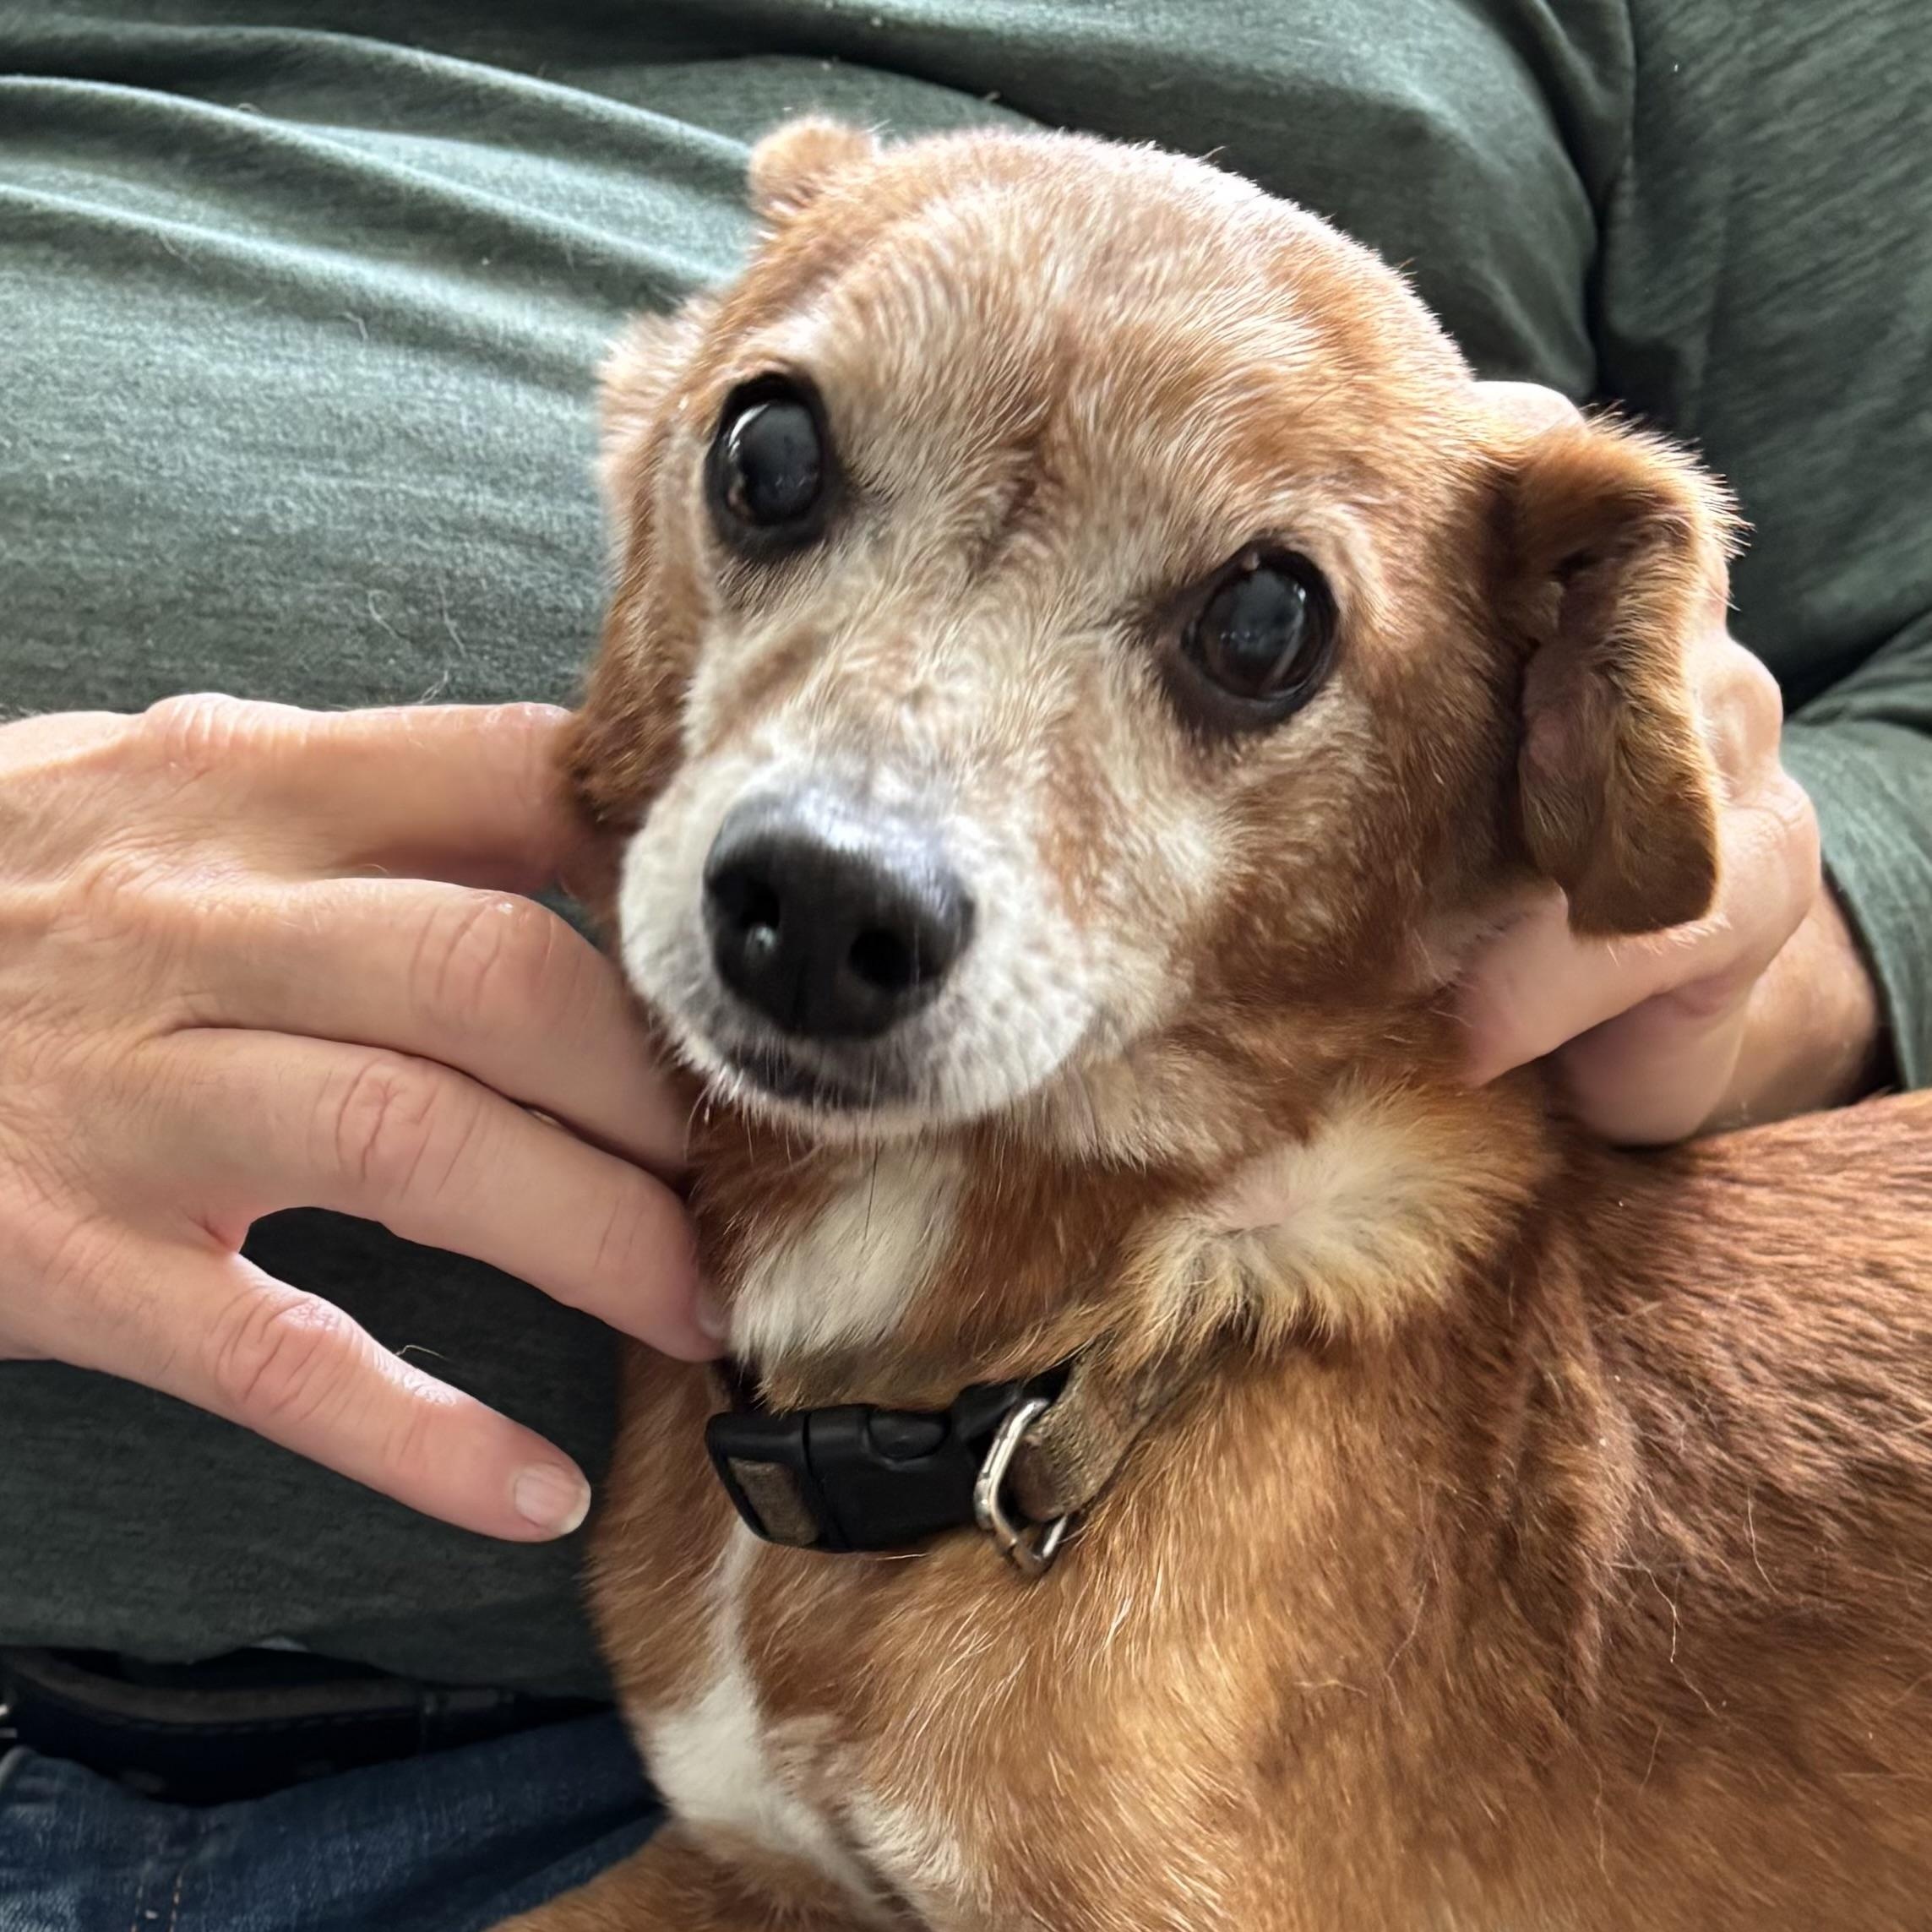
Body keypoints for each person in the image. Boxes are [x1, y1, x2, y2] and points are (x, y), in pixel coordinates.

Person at [1, 2, 1924, 1925]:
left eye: (1254, 631)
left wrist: (1801, 943)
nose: (857, 831)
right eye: (781, 472)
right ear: (651, 418)